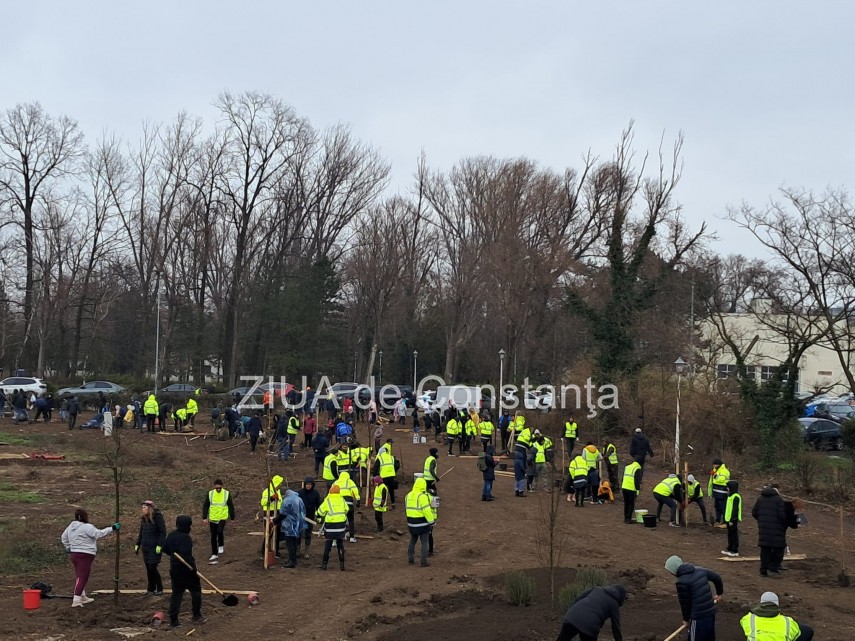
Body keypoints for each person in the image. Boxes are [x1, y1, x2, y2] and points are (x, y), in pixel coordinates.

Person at [60, 509, 119, 607]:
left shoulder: (71, 527)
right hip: (85, 554)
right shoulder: (87, 527)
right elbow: (98, 534)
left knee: (79, 575)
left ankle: (82, 596)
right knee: (83, 577)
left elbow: (63, 537)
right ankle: (76, 599)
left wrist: (68, 546)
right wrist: (112, 528)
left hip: (74, 554)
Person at [664, 555, 723, 641]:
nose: (671, 573)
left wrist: (686, 619)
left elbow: (685, 604)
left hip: (698, 618)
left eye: (671, 571)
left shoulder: (681, 582)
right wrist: (719, 594)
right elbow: (716, 577)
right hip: (710, 613)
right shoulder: (699, 570)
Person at [162, 515, 205, 628]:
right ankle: (196, 615)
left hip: (175, 569)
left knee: (176, 594)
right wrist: (193, 568)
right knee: (196, 590)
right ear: (187, 526)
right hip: (187, 571)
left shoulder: (171, 535)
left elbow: (165, 548)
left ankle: (174, 621)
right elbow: (186, 556)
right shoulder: (186, 538)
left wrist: (173, 554)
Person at [556, 584, 626, 641]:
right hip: (589, 625)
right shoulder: (614, 604)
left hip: (572, 617)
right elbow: (615, 627)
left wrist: (570, 613)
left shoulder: (596, 589)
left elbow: (577, 599)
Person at [740, 591, 814, 641]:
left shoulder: (748, 618)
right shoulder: (788, 622)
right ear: (777, 605)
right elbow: (800, 634)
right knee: (806, 630)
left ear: (760, 604)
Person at [752, 483, 788, 576]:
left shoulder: (760, 499)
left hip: (763, 528)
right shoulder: (778, 500)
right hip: (777, 528)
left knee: (765, 549)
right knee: (779, 548)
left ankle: (763, 569)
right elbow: (782, 515)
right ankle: (773, 568)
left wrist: (761, 520)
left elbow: (754, 512)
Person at [135, 500, 166, 595]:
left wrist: (159, 545)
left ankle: (159, 588)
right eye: (142, 508)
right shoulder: (144, 519)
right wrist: (138, 544)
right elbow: (142, 532)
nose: (142, 509)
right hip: (145, 547)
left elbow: (162, 532)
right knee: (148, 568)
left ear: (149, 508)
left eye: (144, 507)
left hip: (154, 547)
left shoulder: (157, 517)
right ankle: (151, 588)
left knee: (153, 567)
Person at [316, 485, 348, 571]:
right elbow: (346, 509)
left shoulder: (328, 500)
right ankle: (342, 565)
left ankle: (324, 564)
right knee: (340, 544)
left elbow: (320, 512)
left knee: (328, 544)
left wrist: (318, 517)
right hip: (341, 526)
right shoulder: (342, 500)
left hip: (330, 526)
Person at [405, 477, 436, 567]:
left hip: (411, 523)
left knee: (412, 540)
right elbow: (426, 511)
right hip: (422, 524)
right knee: (424, 542)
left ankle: (410, 559)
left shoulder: (408, 495)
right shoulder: (422, 497)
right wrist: (432, 521)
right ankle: (423, 561)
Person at [202, 479, 234, 563]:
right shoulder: (210, 494)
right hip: (213, 517)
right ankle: (214, 553)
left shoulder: (226, 493)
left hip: (223, 516)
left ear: (222, 486)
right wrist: (204, 517)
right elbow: (206, 505)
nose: (218, 489)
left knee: (220, 531)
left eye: (220, 488)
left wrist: (232, 515)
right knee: (213, 536)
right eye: (217, 488)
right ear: (214, 487)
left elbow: (230, 505)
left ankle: (221, 545)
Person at [275, 486, 306, 568]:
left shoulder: (287, 500)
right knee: (294, 542)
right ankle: (292, 559)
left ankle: (292, 561)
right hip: (298, 524)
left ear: (284, 494)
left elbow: (283, 513)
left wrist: (275, 521)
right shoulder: (298, 498)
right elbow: (303, 511)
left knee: (290, 543)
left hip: (290, 524)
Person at [297, 476, 321, 558]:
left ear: (312, 485)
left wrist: (318, 516)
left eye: (310, 484)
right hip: (300, 516)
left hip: (310, 517)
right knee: (298, 533)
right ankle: (297, 549)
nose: (308, 486)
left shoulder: (316, 494)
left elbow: (318, 506)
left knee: (308, 534)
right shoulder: (300, 493)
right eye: (307, 484)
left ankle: (306, 551)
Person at [260, 475, 284, 557]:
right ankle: (264, 551)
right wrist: (272, 498)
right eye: (280, 483)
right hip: (269, 513)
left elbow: (280, 502)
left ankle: (276, 551)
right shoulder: (267, 491)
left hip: (277, 513)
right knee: (269, 533)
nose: (281, 485)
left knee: (277, 533)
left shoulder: (278, 491)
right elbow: (263, 502)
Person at [336, 471, 360, 542]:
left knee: (340, 521)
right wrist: (358, 500)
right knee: (351, 520)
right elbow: (355, 490)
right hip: (349, 504)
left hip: (339, 504)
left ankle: (340, 536)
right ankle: (352, 537)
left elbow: (331, 492)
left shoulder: (336, 482)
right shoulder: (350, 482)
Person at [708, 458, 731, 527]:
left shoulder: (725, 471)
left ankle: (724, 521)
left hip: (723, 492)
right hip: (716, 492)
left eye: (714, 465)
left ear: (718, 464)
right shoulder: (715, 470)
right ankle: (717, 520)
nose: (713, 466)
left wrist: (714, 475)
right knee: (717, 506)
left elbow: (721, 479)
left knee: (723, 507)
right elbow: (711, 482)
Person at [723, 480, 742, 557]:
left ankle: (735, 550)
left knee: (734, 534)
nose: (727, 488)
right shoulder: (730, 495)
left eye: (728, 487)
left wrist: (732, 520)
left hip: (732, 520)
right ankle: (730, 548)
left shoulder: (736, 497)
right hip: (728, 519)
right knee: (730, 534)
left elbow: (735, 510)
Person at [376, 442, 398, 507]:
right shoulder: (391, 457)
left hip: (383, 477)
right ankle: (393, 503)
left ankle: (383, 504)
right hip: (391, 476)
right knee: (391, 490)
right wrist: (394, 472)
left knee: (383, 490)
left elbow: (376, 468)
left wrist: (376, 476)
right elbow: (396, 466)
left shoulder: (379, 458)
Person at [621, 458, 642, 524]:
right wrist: (637, 489)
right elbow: (637, 481)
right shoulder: (637, 468)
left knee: (626, 503)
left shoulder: (627, 467)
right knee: (631, 504)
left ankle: (626, 518)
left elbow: (623, 477)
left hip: (624, 486)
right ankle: (629, 518)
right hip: (631, 488)